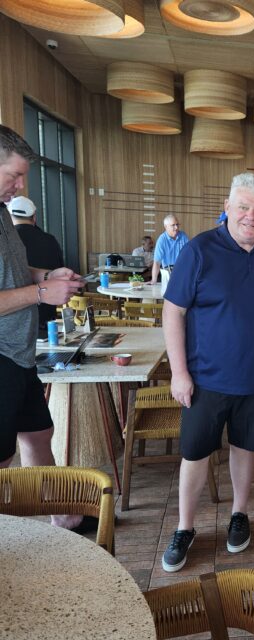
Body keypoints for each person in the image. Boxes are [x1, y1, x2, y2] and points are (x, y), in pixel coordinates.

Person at [160, 173, 254, 573]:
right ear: (227, 208)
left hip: (251, 381)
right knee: (195, 455)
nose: (251, 216)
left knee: (245, 449)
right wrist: (179, 372)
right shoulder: (199, 250)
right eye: (243, 207)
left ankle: (239, 514)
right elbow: (172, 312)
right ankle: (185, 527)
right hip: (204, 379)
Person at [0, 125, 86, 529]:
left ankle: (62, 518)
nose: (20, 187)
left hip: (20, 353)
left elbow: (15, 270)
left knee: (38, 433)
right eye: (14, 176)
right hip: (1, 355)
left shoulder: (3, 214)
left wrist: (47, 275)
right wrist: (40, 294)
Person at [8, 195, 64, 331]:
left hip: (14, 316)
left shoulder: (7, 242)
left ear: (9, 218)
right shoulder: (50, 240)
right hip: (46, 312)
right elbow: (58, 271)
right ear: (34, 217)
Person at [151, 214, 189, 284]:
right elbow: (157, 262)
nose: (176, 227)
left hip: (182, 271)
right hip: (168, 273)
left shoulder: (183, 236)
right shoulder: (162, 240)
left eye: (177, 224)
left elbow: (189, 256)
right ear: (166, 227)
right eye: (173, 225)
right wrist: (154, 280)